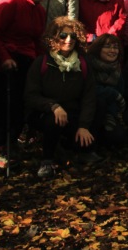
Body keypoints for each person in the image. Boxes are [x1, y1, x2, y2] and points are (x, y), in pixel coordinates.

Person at [0, 0, 49, 168]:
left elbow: (37, 40)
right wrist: (4, 57)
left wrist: (42, 64)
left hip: (28, 61)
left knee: (22, 105)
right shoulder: (10, 2)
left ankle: (12, 143)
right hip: (8, 61)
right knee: (6, 105)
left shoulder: (40, 10)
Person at [25, 17, 98, 177]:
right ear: (54, 37)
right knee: (53, 122)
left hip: (73, 113)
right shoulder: (41, 62)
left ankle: (75, 150)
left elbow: (89, 96)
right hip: (46, 113)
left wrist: (84, 125)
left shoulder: (83, 64)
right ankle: (47, 160)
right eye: (63, 35)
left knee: (88, 136)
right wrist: (53, 106)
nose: (68, 40)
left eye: (72, 36)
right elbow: (31, 95)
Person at [86, 34, 126, 147]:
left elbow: (120, 95)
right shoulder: (88, 65)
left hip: (111, 113)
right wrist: (111, 92)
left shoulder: (116, 68)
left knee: (118, 137)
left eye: (115, 47)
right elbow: (89, 90)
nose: (112, 50)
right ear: (98, 48)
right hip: (88, 112)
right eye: (107, 46)